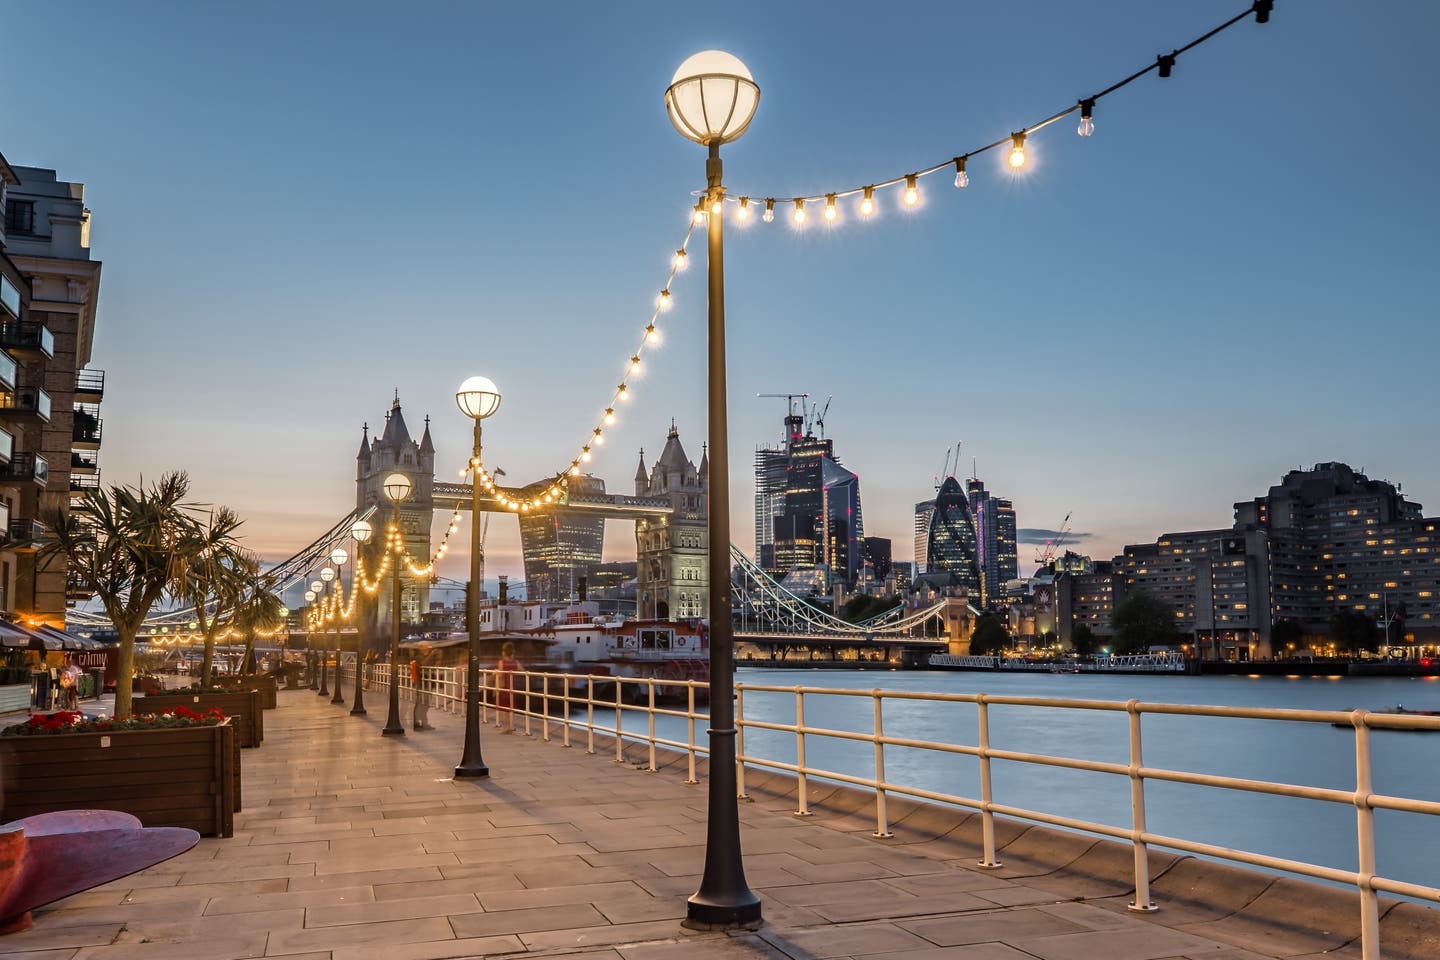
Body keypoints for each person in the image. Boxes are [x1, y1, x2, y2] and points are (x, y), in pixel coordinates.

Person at [496, 642, 522, 734]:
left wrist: (495, 673)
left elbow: (500, 675)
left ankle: (505, 728)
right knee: (511, 708)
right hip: (512, 687)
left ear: (504, 652)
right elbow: (521, 670)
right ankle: (511, 727)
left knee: (504, 709)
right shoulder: (516, 662)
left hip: (504, 687)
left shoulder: (501, 662)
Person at [411, 645, 432, 730]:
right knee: (420, 702)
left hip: (425, 683)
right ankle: (416, 723)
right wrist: (431, 655)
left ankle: (424, 723)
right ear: (422, 648)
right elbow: (424, 664)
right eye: (426, 647)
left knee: (425, 703)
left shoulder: (423, 656)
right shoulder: (419, 657)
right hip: (421, 683)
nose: (428, 649)